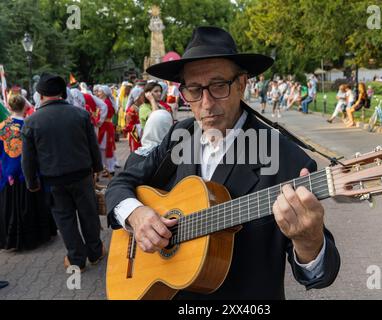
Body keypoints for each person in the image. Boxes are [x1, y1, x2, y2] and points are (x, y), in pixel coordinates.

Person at [105, 26, 340, 299]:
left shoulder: (288, 160)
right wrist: (136, 215)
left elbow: (321, 275)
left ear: (241, 84)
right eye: (194, 89)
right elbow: (120, 183)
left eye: (218, 86)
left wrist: (309, 241)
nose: (206, 103)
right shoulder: (179, 136)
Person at [21, 73, 106, 272]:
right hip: (82, 175)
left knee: (65, 219)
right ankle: (95, 252)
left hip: (54, 181)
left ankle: (77, 259)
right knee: (88, 214)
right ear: (62, 93)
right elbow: (92, 145)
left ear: (40, 95)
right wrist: (97, 168)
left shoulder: (32, 121)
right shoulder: (80, 114)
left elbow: (28, 159)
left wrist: (31, 183)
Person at [1, 95, 56, 250]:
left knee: (9, 207)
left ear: (9, 107)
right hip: (28, 173)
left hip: (8, 173)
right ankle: (36, 236)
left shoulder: (1, 126)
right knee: (33, 205)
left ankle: (9, 239)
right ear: (25, 107)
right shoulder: (29, 125)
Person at [124, 87, 145, 152]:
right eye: (142, 95)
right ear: (137, 97)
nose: (144, 96)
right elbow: (128, 126)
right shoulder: (131, 110)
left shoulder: (142, 107)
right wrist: (140, 127)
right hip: (135, 137)